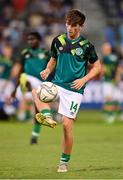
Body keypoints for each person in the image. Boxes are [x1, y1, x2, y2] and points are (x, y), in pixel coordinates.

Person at [32, 9, 101, 172]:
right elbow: (53, 59)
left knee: (66, 125)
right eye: (68, 24)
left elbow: (97, 67)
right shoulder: (58, 40)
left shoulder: (86, 46)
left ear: (81, 26)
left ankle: (64, 162)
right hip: (57, 84)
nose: (70, 28)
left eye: (74, 26)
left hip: (74, 91)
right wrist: (48, 70)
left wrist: (84, 79)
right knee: (36, 91)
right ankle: (47, 117)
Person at [9, 31, 56, 144]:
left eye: (33, 39)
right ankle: (27, 91)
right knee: (25, 76)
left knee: (37, 113)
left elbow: (52, 68)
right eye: (29, 39)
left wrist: (52, 83)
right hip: (28, 80)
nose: (30, 41)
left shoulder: (45, 53)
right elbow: (21, 70)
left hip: (41, 84)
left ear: (39, 40)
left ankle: (34, 136)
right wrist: (14, 90)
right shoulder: (25, 53)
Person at [101, 42, 121, 123]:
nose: (103, 50)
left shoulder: (105, 58)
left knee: (109, 99)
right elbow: (118, 69)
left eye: (104, 48)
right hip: (112, 81)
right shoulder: (115, 58)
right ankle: (118, 114)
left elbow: (103, 70)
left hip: (108, 81)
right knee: (114, 99)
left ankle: (110, 116)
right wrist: (118, 78)